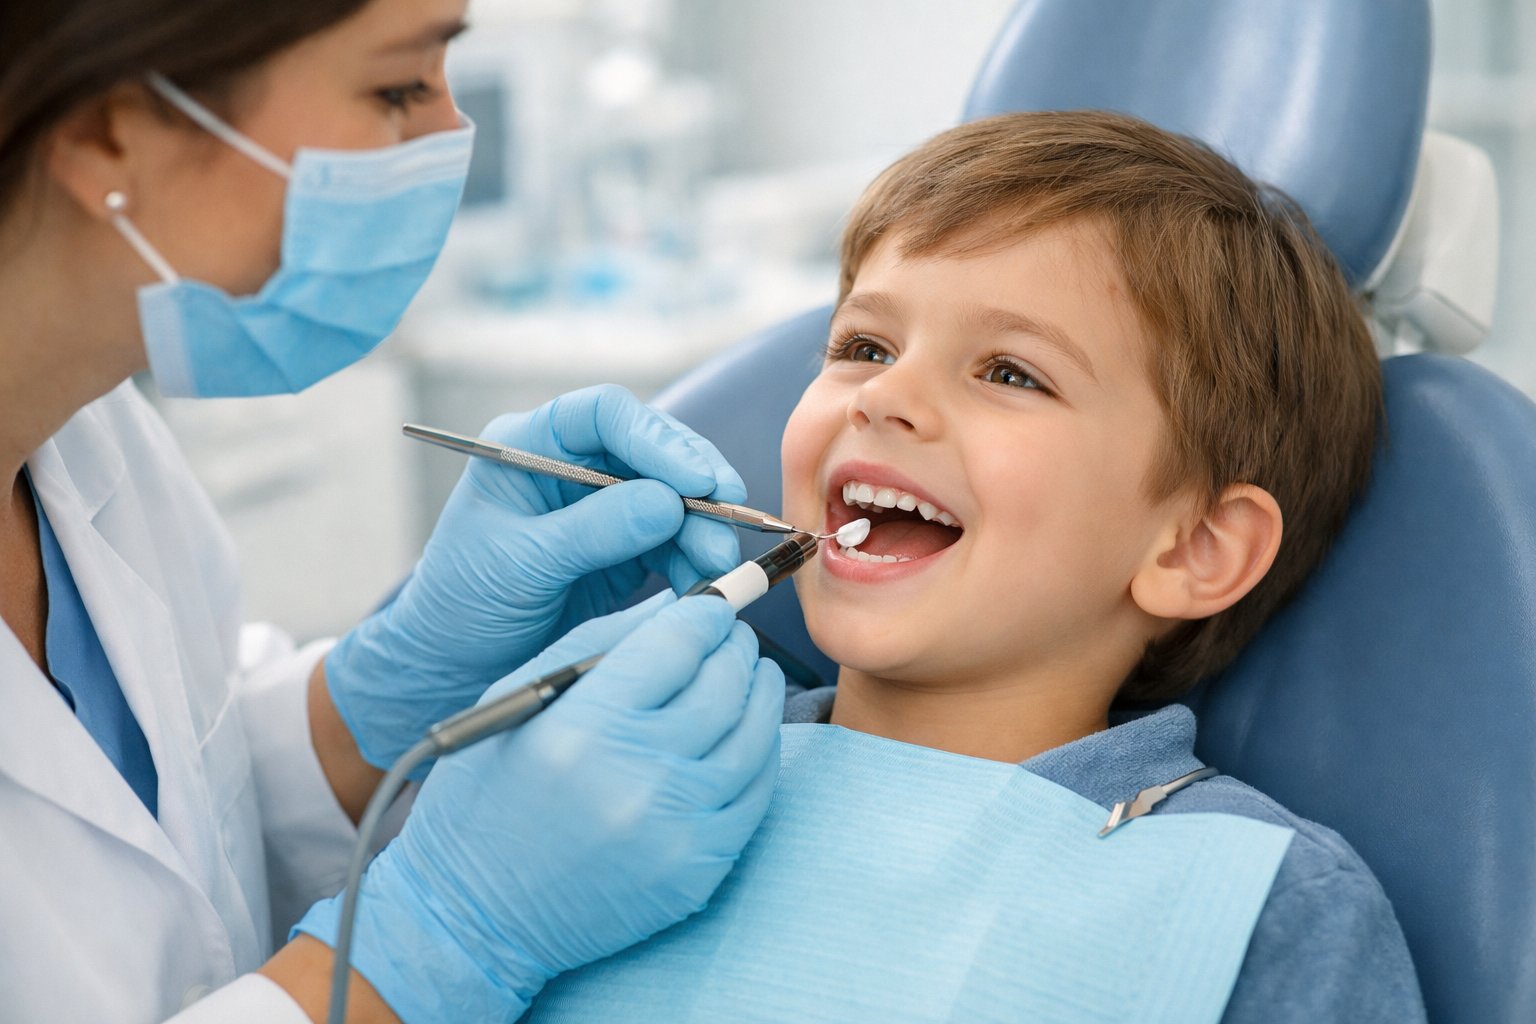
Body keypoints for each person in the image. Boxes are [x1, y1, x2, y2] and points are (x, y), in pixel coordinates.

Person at [518, 112, 1427, 1022]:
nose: (884, 396)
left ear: (1194, 548)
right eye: (863, 347)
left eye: (1010, 373)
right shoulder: (619, 760)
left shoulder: (1268, 904)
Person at [0, 1, 785, 1022]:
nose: (447, 145)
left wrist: (385, 696)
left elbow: (169, 830)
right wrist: (440, 938)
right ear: (113, 128)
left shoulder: (87, 429)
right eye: (398, 88)